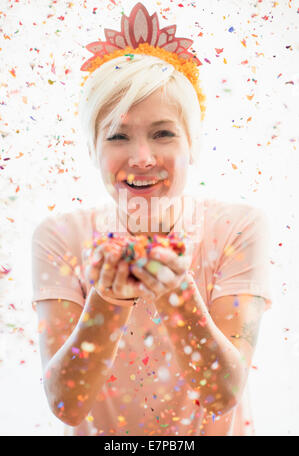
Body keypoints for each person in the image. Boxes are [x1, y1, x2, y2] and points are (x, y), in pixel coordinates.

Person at [31, 3, 272, 436]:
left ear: (192, 144)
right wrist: (106, 300)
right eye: (118, 136)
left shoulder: (239, 227)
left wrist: (178, 292)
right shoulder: (60, 236)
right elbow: (66, 405)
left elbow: (221, 394)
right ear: (92, 150)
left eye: (163, 133)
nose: (142, 158)